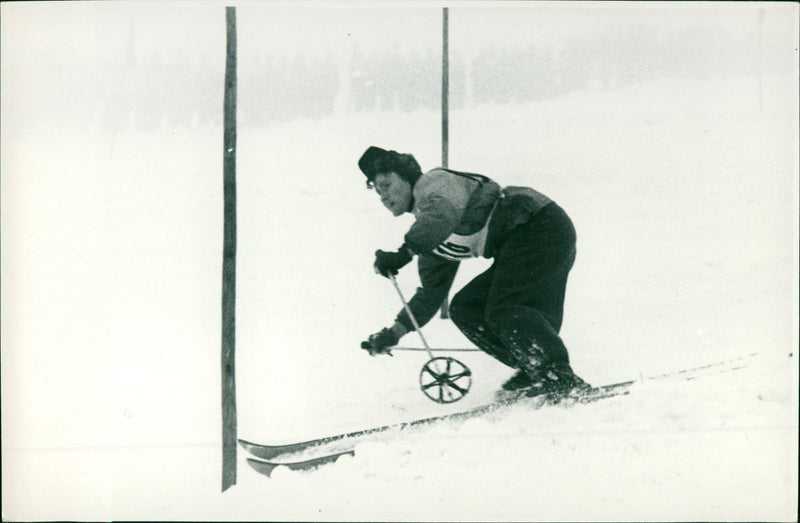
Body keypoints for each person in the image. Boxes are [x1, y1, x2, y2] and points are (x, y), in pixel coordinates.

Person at [358, 146, 589, 397]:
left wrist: (403, 254)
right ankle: (533, 367)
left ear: (406, 176)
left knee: (504, 308)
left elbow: (441, 214)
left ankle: (556, 375)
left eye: (387, 184)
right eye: (378, 190)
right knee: (466, 307)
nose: (383, 196)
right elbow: (430, 294)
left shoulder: (433, 183)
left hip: (539, 225)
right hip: (520, 244)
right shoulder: (428, 236)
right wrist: (394, 333)